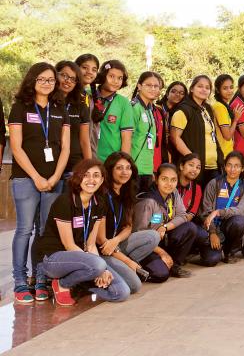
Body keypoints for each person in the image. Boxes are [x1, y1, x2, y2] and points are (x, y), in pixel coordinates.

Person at [9, 62, 71, 303]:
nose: (47, 83)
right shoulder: (20, 108)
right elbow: (16, 147)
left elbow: (65, 148)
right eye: (42, 79)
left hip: (54, 180)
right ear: (32, 80)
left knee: (45, 231)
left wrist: (55, 177)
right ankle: (20, 282)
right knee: (25, 229)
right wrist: (36, 177)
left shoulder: (59, 108)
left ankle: (41, 278)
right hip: (27, 179)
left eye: (51, 80)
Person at [32, 159, 130, 305]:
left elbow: (91, 245)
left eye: (96, 175)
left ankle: (80, 284)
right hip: (53, 259)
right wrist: (100, 268)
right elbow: (69, 245)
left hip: (84, 261)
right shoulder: (65, 201)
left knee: (122, 292)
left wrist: (100, 271)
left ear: (102, 180)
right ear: (78, 178)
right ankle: (63, 284)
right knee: (98, 266)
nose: (91, 180)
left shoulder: (99, 203)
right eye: (86, 175)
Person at [97, 152, 160, 294]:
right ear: (110, 170)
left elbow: (128, 226)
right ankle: (99, 275)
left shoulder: (127, 192)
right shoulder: (102, 194)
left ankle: (121, 266)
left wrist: (116, 240)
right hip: (103, 249)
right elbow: (100, 240)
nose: (125, 172)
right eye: (119, 168)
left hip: (115, 244)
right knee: (134, 286)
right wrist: (128, 261)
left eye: (128, 168)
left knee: (153, 236)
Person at [133, 163, 196, 282]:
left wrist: (165, 227)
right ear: (156, 180)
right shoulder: (148, 201)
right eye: (164, 179)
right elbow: (139, 235)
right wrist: (162, 253)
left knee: (190, 228)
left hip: (162, 238)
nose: (169, 184)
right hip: (146, 246)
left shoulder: (173, 193)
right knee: (161, 274)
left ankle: (174, 265)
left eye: (173, 180)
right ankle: (139, 269)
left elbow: (183, 215)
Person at [199, 151, 244, 265]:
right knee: (211, 260)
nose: (232, 169)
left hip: (228, 226)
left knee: (240, 221)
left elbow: (240, 211)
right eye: (229, 165)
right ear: (224, 166)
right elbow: (205, 212)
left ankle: (229, 251)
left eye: (237, 166)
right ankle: (214, 248)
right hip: (211, 227)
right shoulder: (214, 183)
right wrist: (212, 232)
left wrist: (219, 212)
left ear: (242, 168)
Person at [170, 75, 222, 188]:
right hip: (195, 169)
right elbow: (175, 138)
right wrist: (192, 160)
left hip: (213, 167)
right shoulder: (184, 109)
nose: (204, 89)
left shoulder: (207, 109)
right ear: (192, 88)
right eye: (200, 86)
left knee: (211, 203)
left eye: (207, 87)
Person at [129, 71, 165, 191]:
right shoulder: (134, 107)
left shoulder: (150, 109)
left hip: (147, 169)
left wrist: (151, 171)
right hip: (133, 168)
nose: (153, 89)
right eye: (149, 85)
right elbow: (127, 138)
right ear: (139, 86)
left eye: (156, 86)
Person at [55, 61, 91, 176]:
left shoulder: (80, 105)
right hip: (50, 166)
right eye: (64, 75)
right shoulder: (47, 102)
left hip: (74, 167)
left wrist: (89, 167)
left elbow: (84, 140)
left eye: (73, 79)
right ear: (55, 75)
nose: (68, 81)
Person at [92, 60, 133, 162]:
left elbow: (126, 138)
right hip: (87, 157)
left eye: (120, 78)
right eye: (111, 76)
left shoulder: (124, 103)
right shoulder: (87, 95)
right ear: (103, 76)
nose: (116, 81)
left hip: (111, 161)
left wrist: (123, 163)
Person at [212, 74, 244, 159]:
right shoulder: (219, 107)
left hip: (226, 152)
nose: (229, 91)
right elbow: (227, 136)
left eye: (231, 87)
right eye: (225, 88)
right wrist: (236, 120)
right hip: (223, 154)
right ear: (218, 90)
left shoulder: (225, 106)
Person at [75, 54, 100, 152]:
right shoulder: (69, 95)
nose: (89, 72)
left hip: (88, 152)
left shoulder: (89, 97)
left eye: (94, 70)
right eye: (85, 68)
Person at [176, 153, 203, 222]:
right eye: (191, 165)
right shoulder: (171, 183)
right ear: (181, 166)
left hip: (182, 224)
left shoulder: (197, 189)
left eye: (198, 167)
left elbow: (190, 215)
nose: (194, 169)